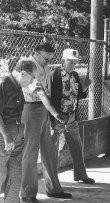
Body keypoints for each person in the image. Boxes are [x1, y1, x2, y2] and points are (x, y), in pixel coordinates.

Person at [20, 43, 72, 203]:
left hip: (44, 110)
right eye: (45, 58)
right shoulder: (26, 65)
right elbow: (41, 93)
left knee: (49, 151)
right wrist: (55, 114)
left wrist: (52, 114)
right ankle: (27, 194)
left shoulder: (45, 66)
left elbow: (49, 91)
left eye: (50, 59)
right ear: (36, 53)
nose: (47, 62)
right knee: (30, 153)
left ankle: (54, 189)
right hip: (31, 109)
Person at [50, 48, 95, 184]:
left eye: (75, 63)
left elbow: (78, 94)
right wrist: (53, 118)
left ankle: (81, 175)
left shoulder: (75, 75)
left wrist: (85, 86)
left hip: (71, 116)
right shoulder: (55, 74)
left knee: (77, 146)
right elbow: (50, 98)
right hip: (58, 118)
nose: (73, 65)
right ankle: (53, 180)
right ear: (63, 60)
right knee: (53, 149)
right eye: (71, 62)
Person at [0, 58, 37, 203]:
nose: (32, 80)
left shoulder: (18, 87)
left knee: (15, 174)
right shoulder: (4, 84)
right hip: (5, 136)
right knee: (1, 173)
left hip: (17, 136)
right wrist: (6, 136)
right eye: (31, 77)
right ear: (23, 73)